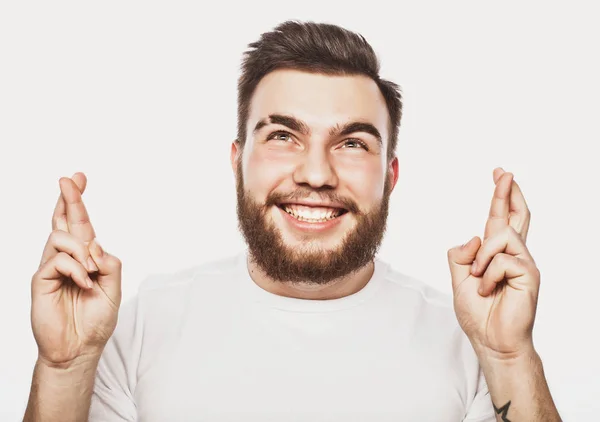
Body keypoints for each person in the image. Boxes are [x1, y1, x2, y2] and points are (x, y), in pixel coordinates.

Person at [23, 21, 562, 421]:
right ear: (238, 161)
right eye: (283, 136)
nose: (316, 173)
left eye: (351, 143)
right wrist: (64, 368)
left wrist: (509, 354)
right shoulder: (136, 329)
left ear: (390, 174)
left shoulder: (468, 344)